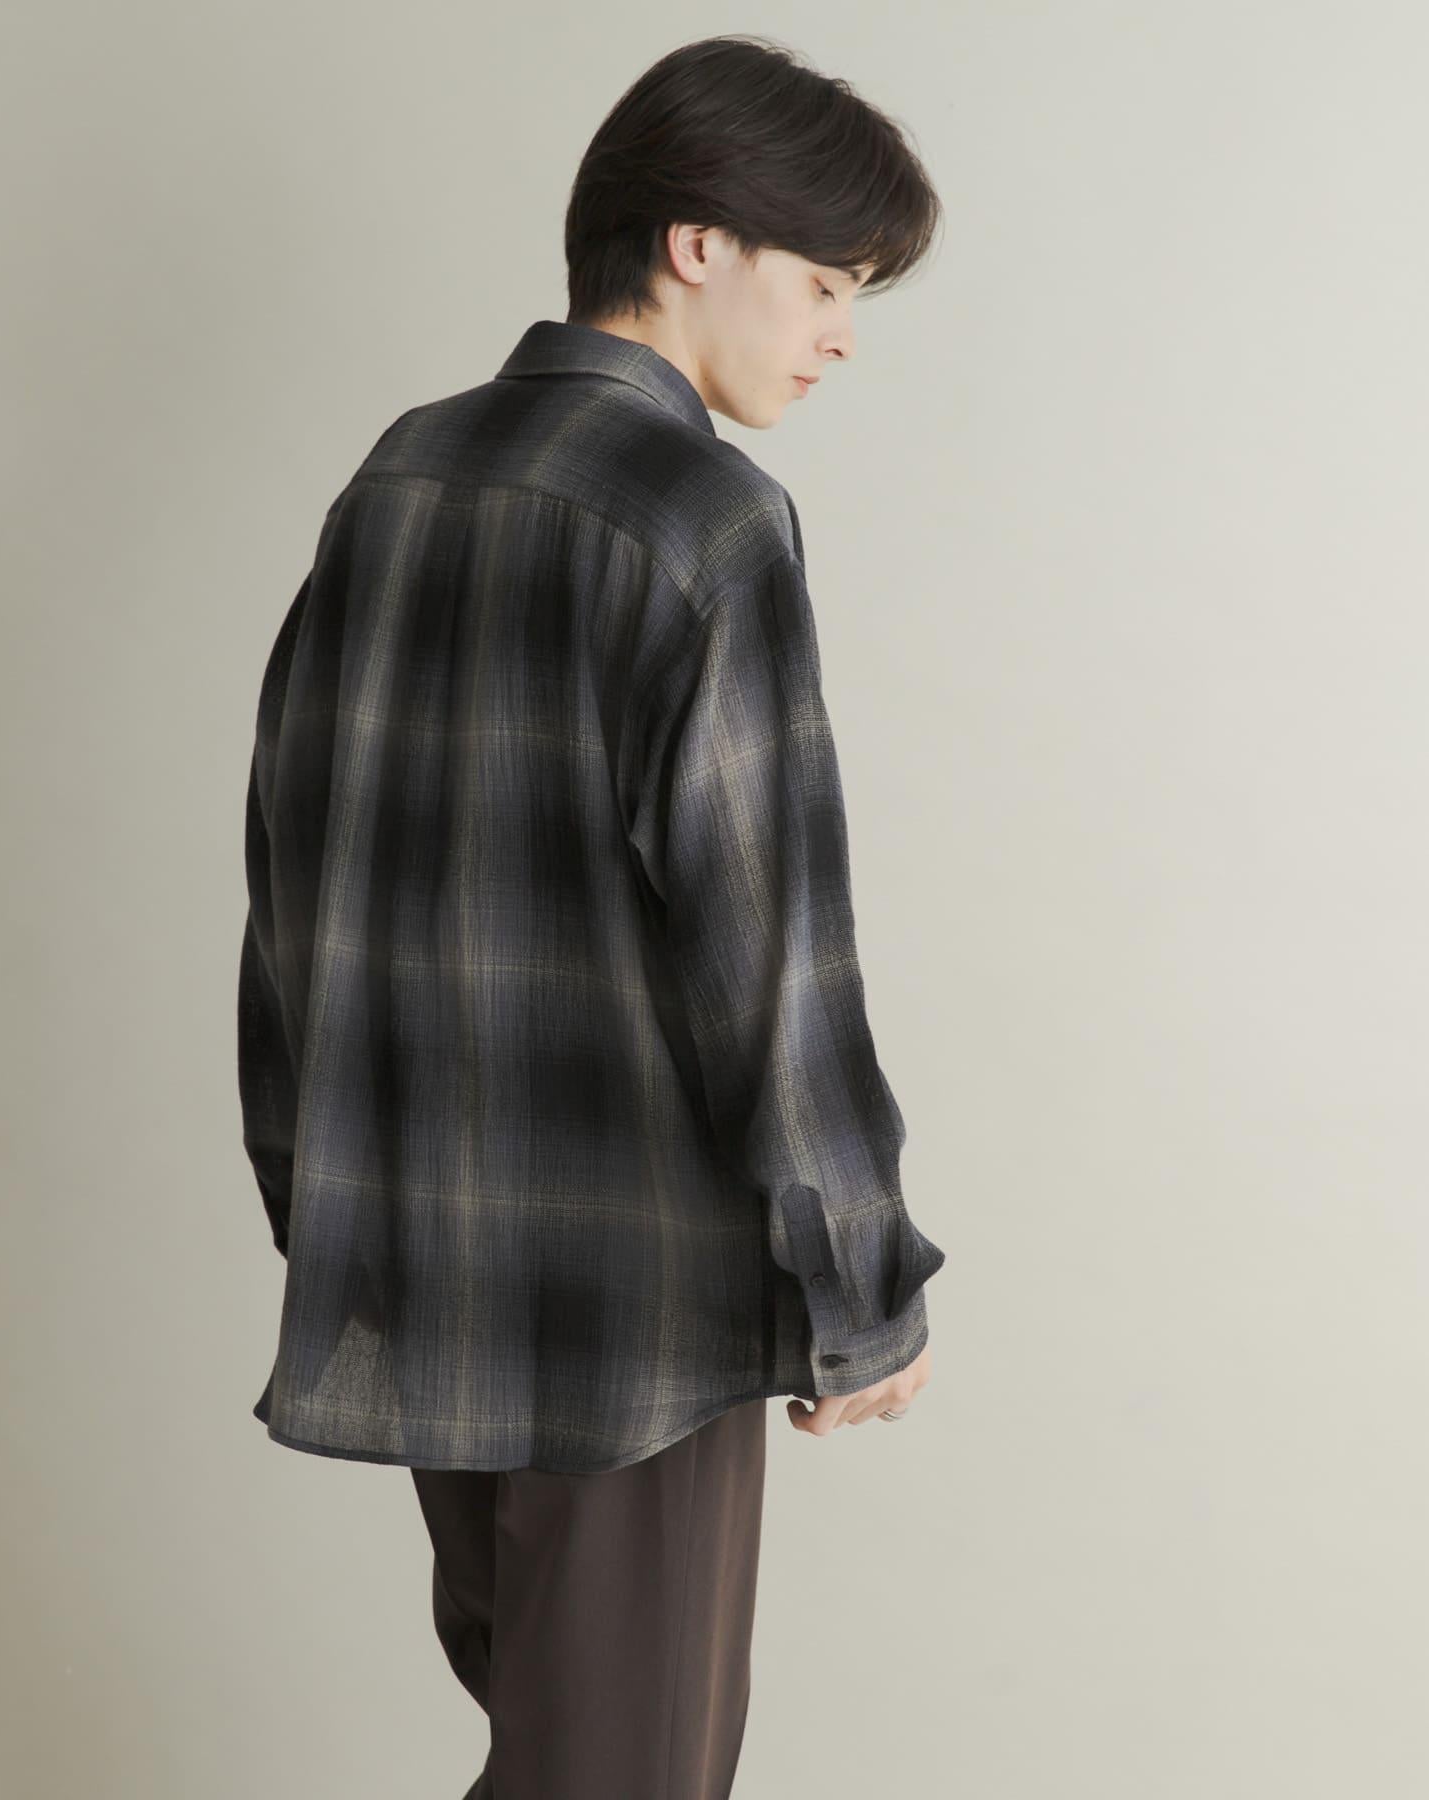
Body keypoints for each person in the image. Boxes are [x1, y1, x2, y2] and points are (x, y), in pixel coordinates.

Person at [237, 32, 947, 1799]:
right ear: (698, 242)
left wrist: (319, 1198)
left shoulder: (398, 480)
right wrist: (863, 1286)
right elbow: (771, 956)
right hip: (633, 1318)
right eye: (827, 282)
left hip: (425, 1272)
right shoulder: (705, 517)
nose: (841, 335)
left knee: (551, 1759)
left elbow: (293, 879)